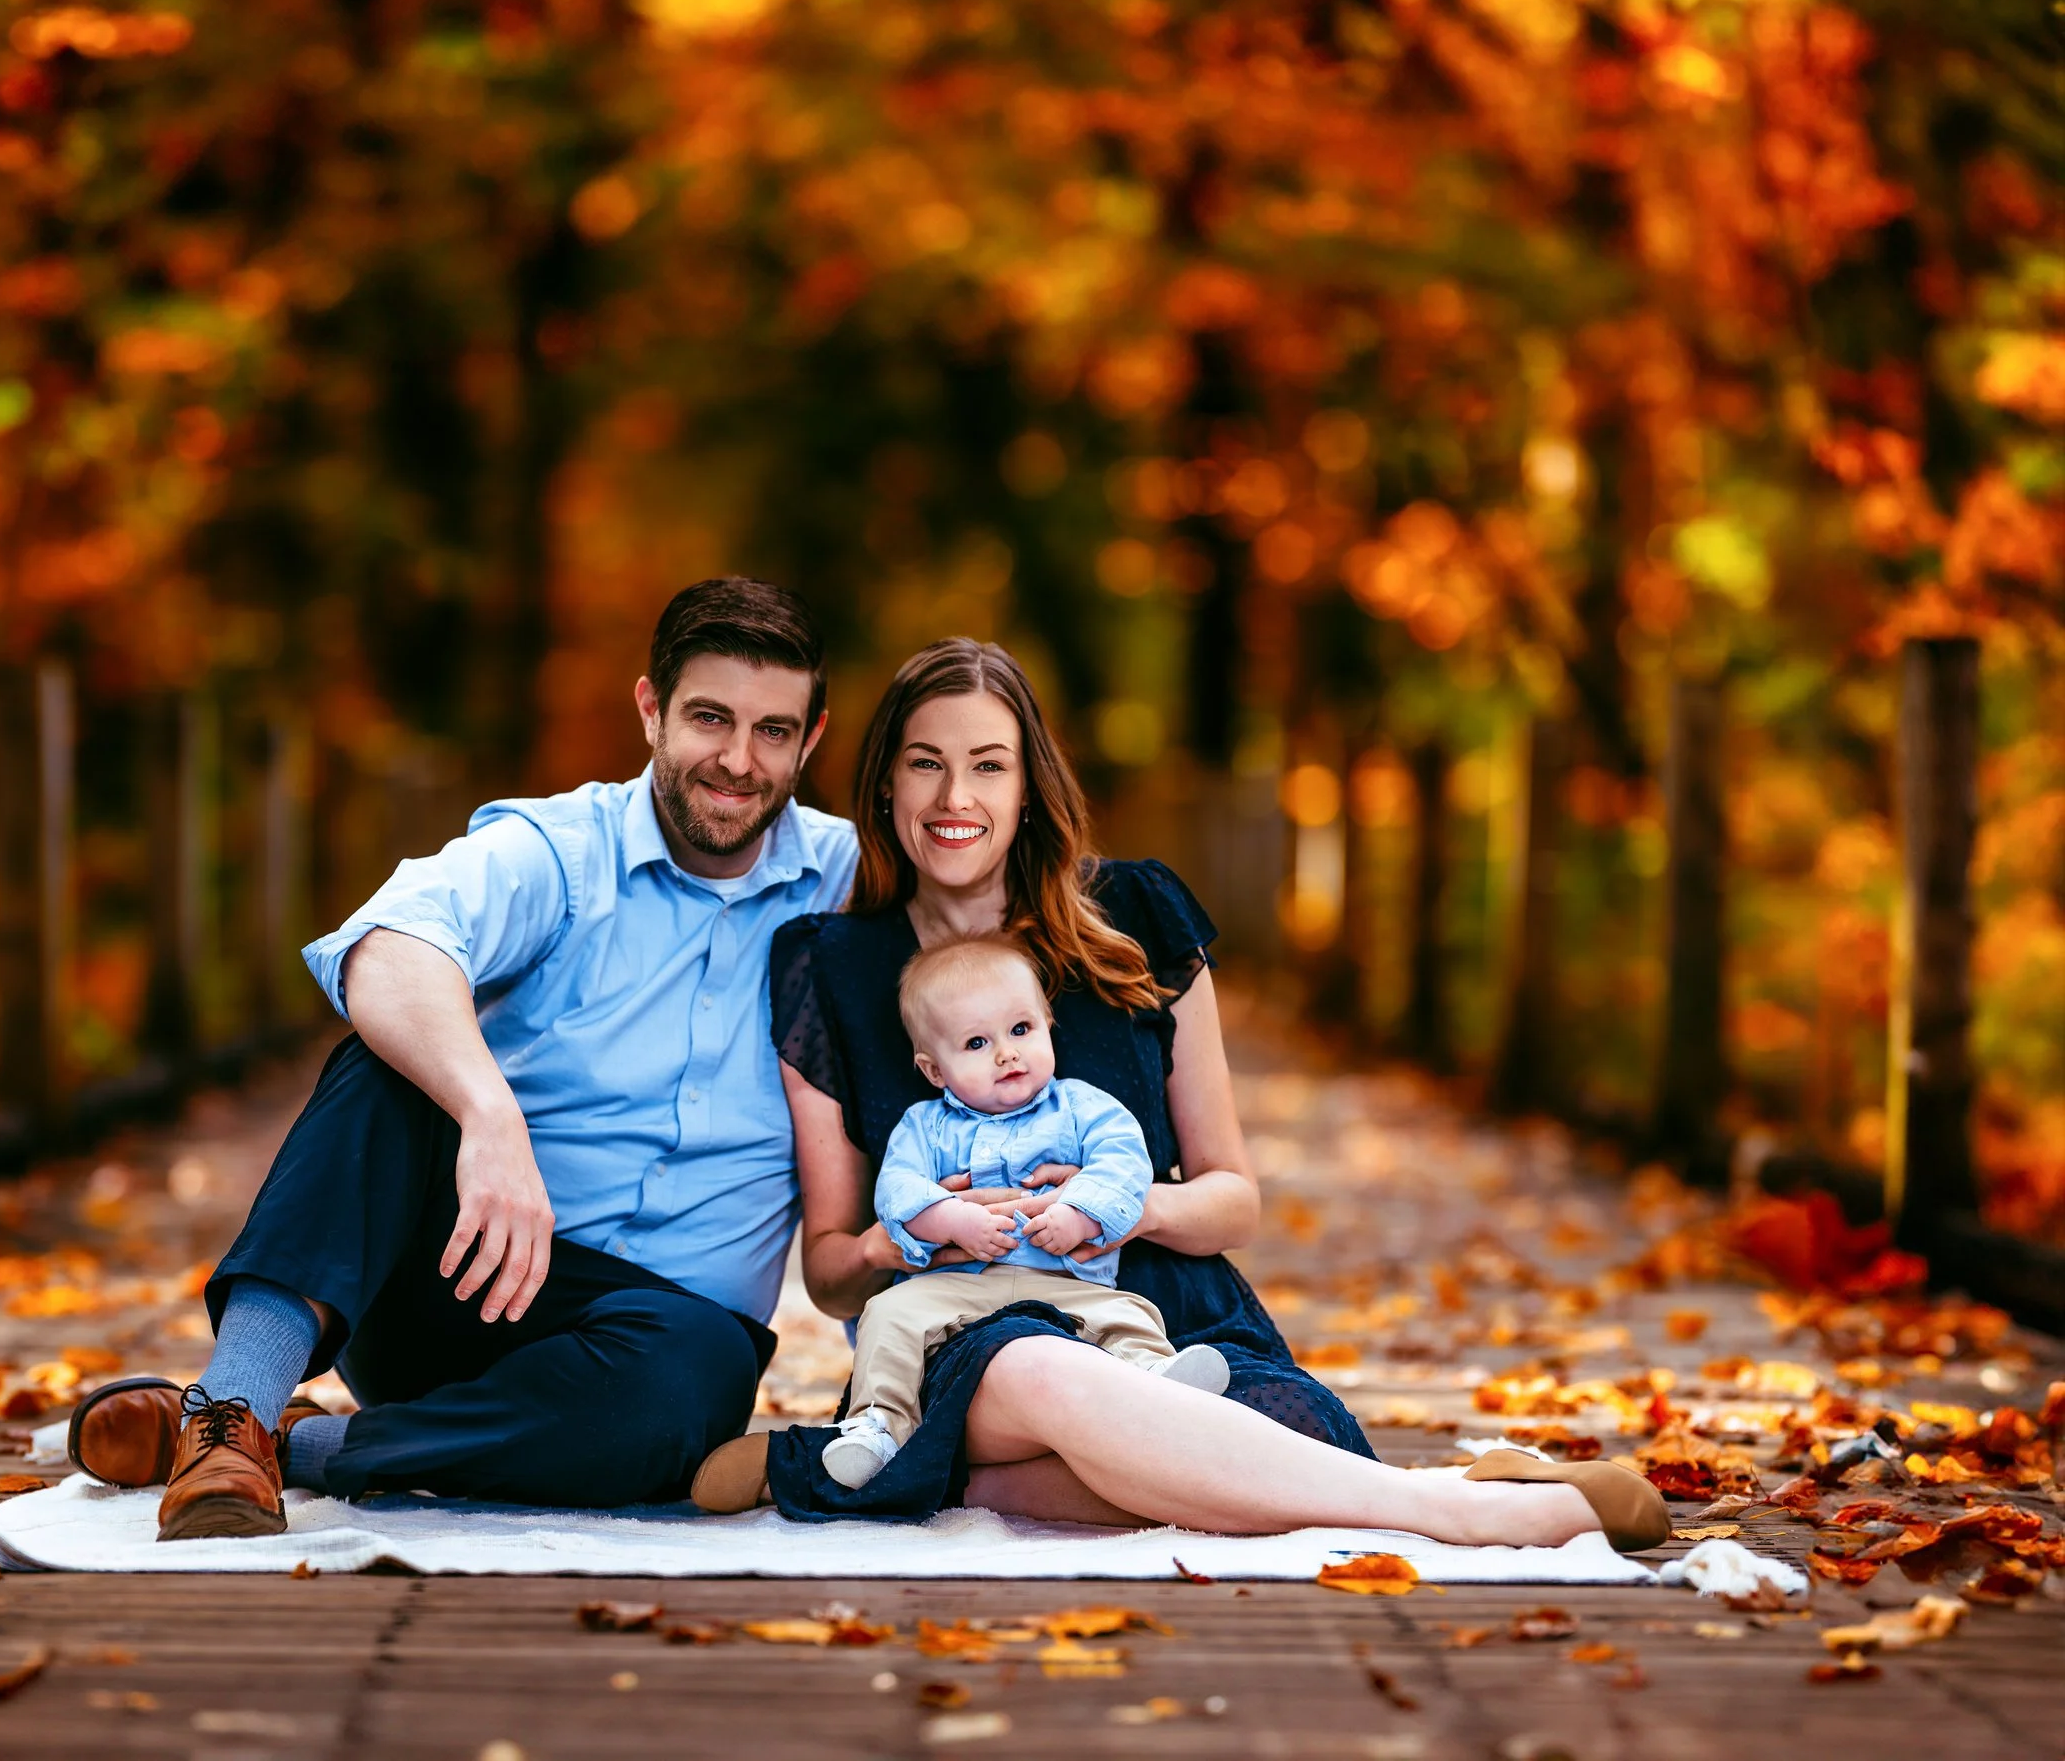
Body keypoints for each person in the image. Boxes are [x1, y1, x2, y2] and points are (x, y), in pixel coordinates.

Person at [689, 637, 1667, 1554]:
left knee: (1214, 1430)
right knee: (1039, 1369)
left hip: (1163, 1319)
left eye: (989, 763)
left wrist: (1113, 1206)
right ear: (885, 782)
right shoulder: (829, 967)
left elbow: (1233, 1194)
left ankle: (952, 1482)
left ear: (1030, 786)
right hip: (958, 1330)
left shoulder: (1137, 921)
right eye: (924, 762)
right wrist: (912, 1232)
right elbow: (828, 1274)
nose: (957, 795)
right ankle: (1459, 1508)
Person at [62, 578, 856, 1538]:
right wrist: (489, 1113)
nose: (737, 760)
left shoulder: (854, 887)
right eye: (709, 718)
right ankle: (232, 1409)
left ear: (811, 741)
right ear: (649, 709)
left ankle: (288, 1447)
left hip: (659, 1348)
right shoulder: (559, 851)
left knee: (690, 1389)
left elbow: (1004, 926)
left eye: (773, 731)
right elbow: (389, 947)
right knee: (385, 1071)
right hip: (468, 1275)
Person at [824, 932, 1229, 1489]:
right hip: (959, 1285)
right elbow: (897, 1189)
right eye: (975, 1043)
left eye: (1021, 1030)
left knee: (1127, 1312)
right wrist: (950, 1219)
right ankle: (878, 1426)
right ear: (934, 1070)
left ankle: (1154, 1375)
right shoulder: (924, 1126)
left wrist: (1083, 1212)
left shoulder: (1081, 1106)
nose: (1006, 1052)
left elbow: (1124, 1160)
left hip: (1063, 1277)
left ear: (1046, 1026)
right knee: (889, 1316)